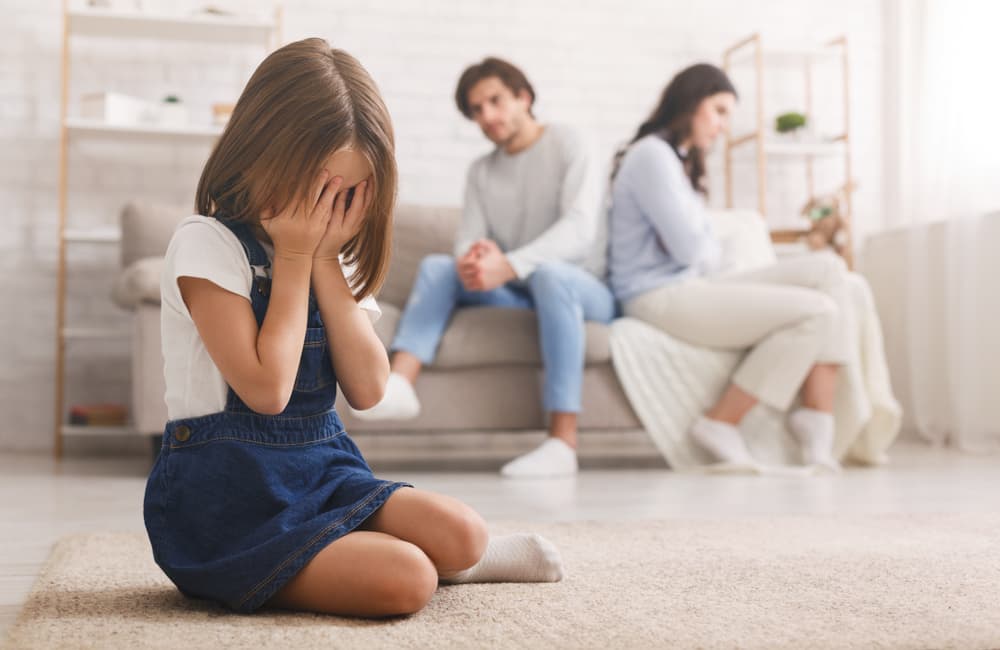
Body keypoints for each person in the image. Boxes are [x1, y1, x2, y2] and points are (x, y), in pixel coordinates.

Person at [143, 39, 563, 619]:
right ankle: (365, 561)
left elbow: (369, 390)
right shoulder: (206, 244)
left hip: (322, 469)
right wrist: (292, 259)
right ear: (261, 152)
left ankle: (434, 558)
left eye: (345, 196)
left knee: (465, 531)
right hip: (227, 501)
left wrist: (321, 262)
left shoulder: (327, 254)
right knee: (407, 580)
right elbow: (267, 393)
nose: (325, 212)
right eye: (317, 190)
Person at [352, 57, 616, 479]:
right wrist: (476, 261)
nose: (487, 116)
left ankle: (562, 442)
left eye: (495, 101)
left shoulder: (572, 142)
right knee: (441, 267)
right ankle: (400, 383)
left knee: (550, 276)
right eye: (477, 110)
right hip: (518, 289)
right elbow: (466, 242)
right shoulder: (481, 171)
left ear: (523, 97)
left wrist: (508, 264)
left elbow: (580, 230)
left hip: (583, 288)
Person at [608, 63, 849, 471]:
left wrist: (701, 242)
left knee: (828, 269)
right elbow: (692, 250)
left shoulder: (677, 161)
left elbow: (701, 249)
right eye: (718, 111)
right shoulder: (651, 155)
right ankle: (720, 423)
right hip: (657, 295)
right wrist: (702, 243)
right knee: (818, 312)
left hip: (692, 284)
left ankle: (817, 417)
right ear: (690, 102)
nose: (723, 126)